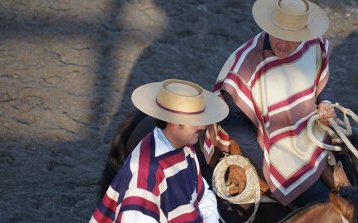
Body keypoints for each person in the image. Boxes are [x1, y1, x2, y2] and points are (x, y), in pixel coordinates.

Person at [202, 0, 338, 220]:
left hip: (312, 132)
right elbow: (230, 116)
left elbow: (324, 79)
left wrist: (326, 102)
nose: (283, 44)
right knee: (324, 205)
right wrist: (264, 162)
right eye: (277, 34)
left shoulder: (313, 45)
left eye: (291, 38)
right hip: (273, 150)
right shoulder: (247, 63)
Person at [90, 79, 229, 223]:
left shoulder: (186, 149)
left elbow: (203, 194)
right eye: (194, 121)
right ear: (173, 123)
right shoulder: (145, 174)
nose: (202, 127)